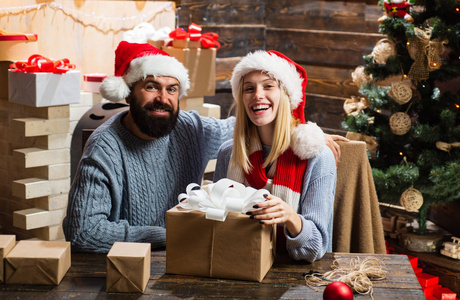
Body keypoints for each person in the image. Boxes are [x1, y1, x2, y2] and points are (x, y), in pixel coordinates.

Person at [63, 41, 235, 253]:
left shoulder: (189, 129)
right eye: (151, 87)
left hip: (185, 259)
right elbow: (83, 233)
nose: (163, 99)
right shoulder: (104, 147)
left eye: (171, 89)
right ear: (128, 93)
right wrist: (167, 234)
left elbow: (239, 128)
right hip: (127, 268)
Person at [213, 50, 336, 262]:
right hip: (235, 266)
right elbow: (213, 225)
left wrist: (290, 217)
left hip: (295, 279)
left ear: (286, 95)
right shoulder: (228, 153)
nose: (257, 95)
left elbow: (316, 248)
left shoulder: (317, 157)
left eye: (268, 86)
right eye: (248, 88)